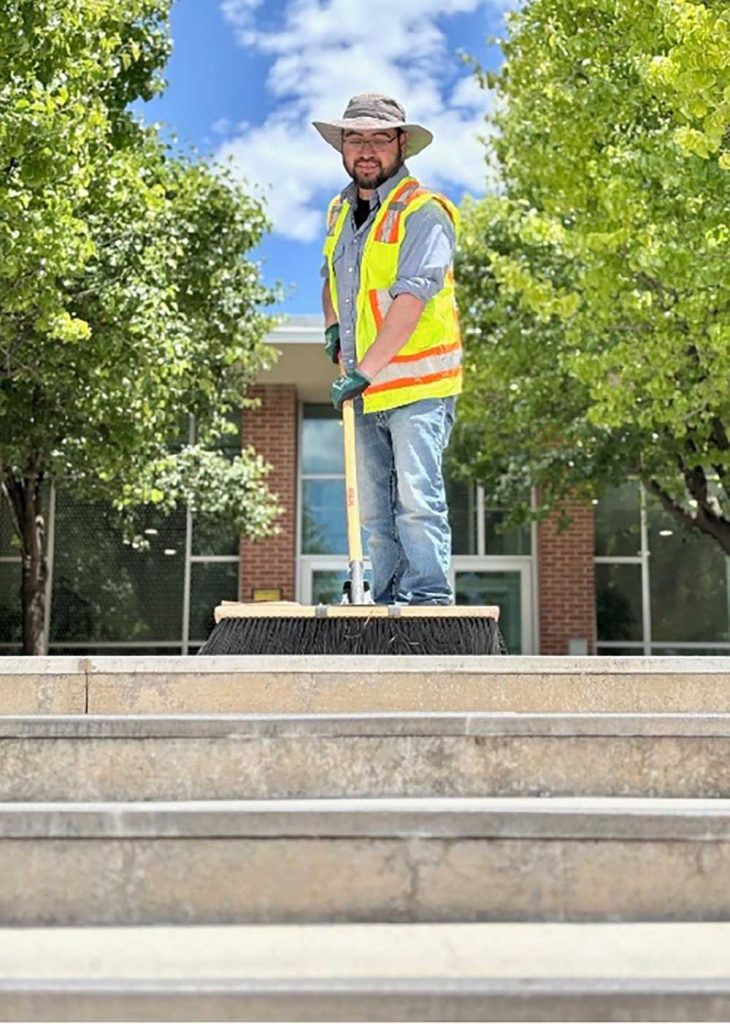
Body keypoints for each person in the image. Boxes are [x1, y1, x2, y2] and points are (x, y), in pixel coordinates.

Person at [313, 93, 462, 605]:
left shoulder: (424, 212)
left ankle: (428, 603)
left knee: (417, 501)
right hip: (365, 388)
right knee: (374, 509)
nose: (367, 149)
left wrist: (365, 370)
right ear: (342, 147)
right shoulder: (339, 210)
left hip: (418, 386)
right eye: (355, 138)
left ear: (402, 143)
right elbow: (331, 278)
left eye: (380, 138)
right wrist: (333, 326)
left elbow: (410, 300)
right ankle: (386, 601)